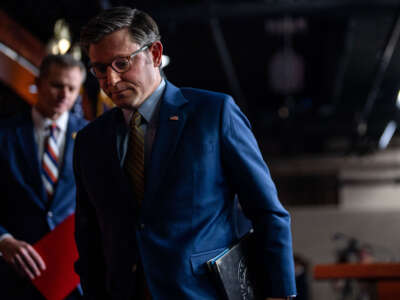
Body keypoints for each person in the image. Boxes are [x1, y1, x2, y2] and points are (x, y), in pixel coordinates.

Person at [74, 6, 296, 300]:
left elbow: (268, 212)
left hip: (202, 292)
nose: (111, 81)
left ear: (154, 54)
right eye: (100, 69)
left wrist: (280, 294)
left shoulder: (213, 114)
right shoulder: (90, 140)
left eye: (121, 63)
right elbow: (89, 236)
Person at [0, 54, 87, 299]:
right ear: (37, 82)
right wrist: (3, 240)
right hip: (14, 276)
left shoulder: (92, 136)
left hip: (74, 277)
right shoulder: (4, 135)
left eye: (72, 89)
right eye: (57, 85)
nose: (64, 95)